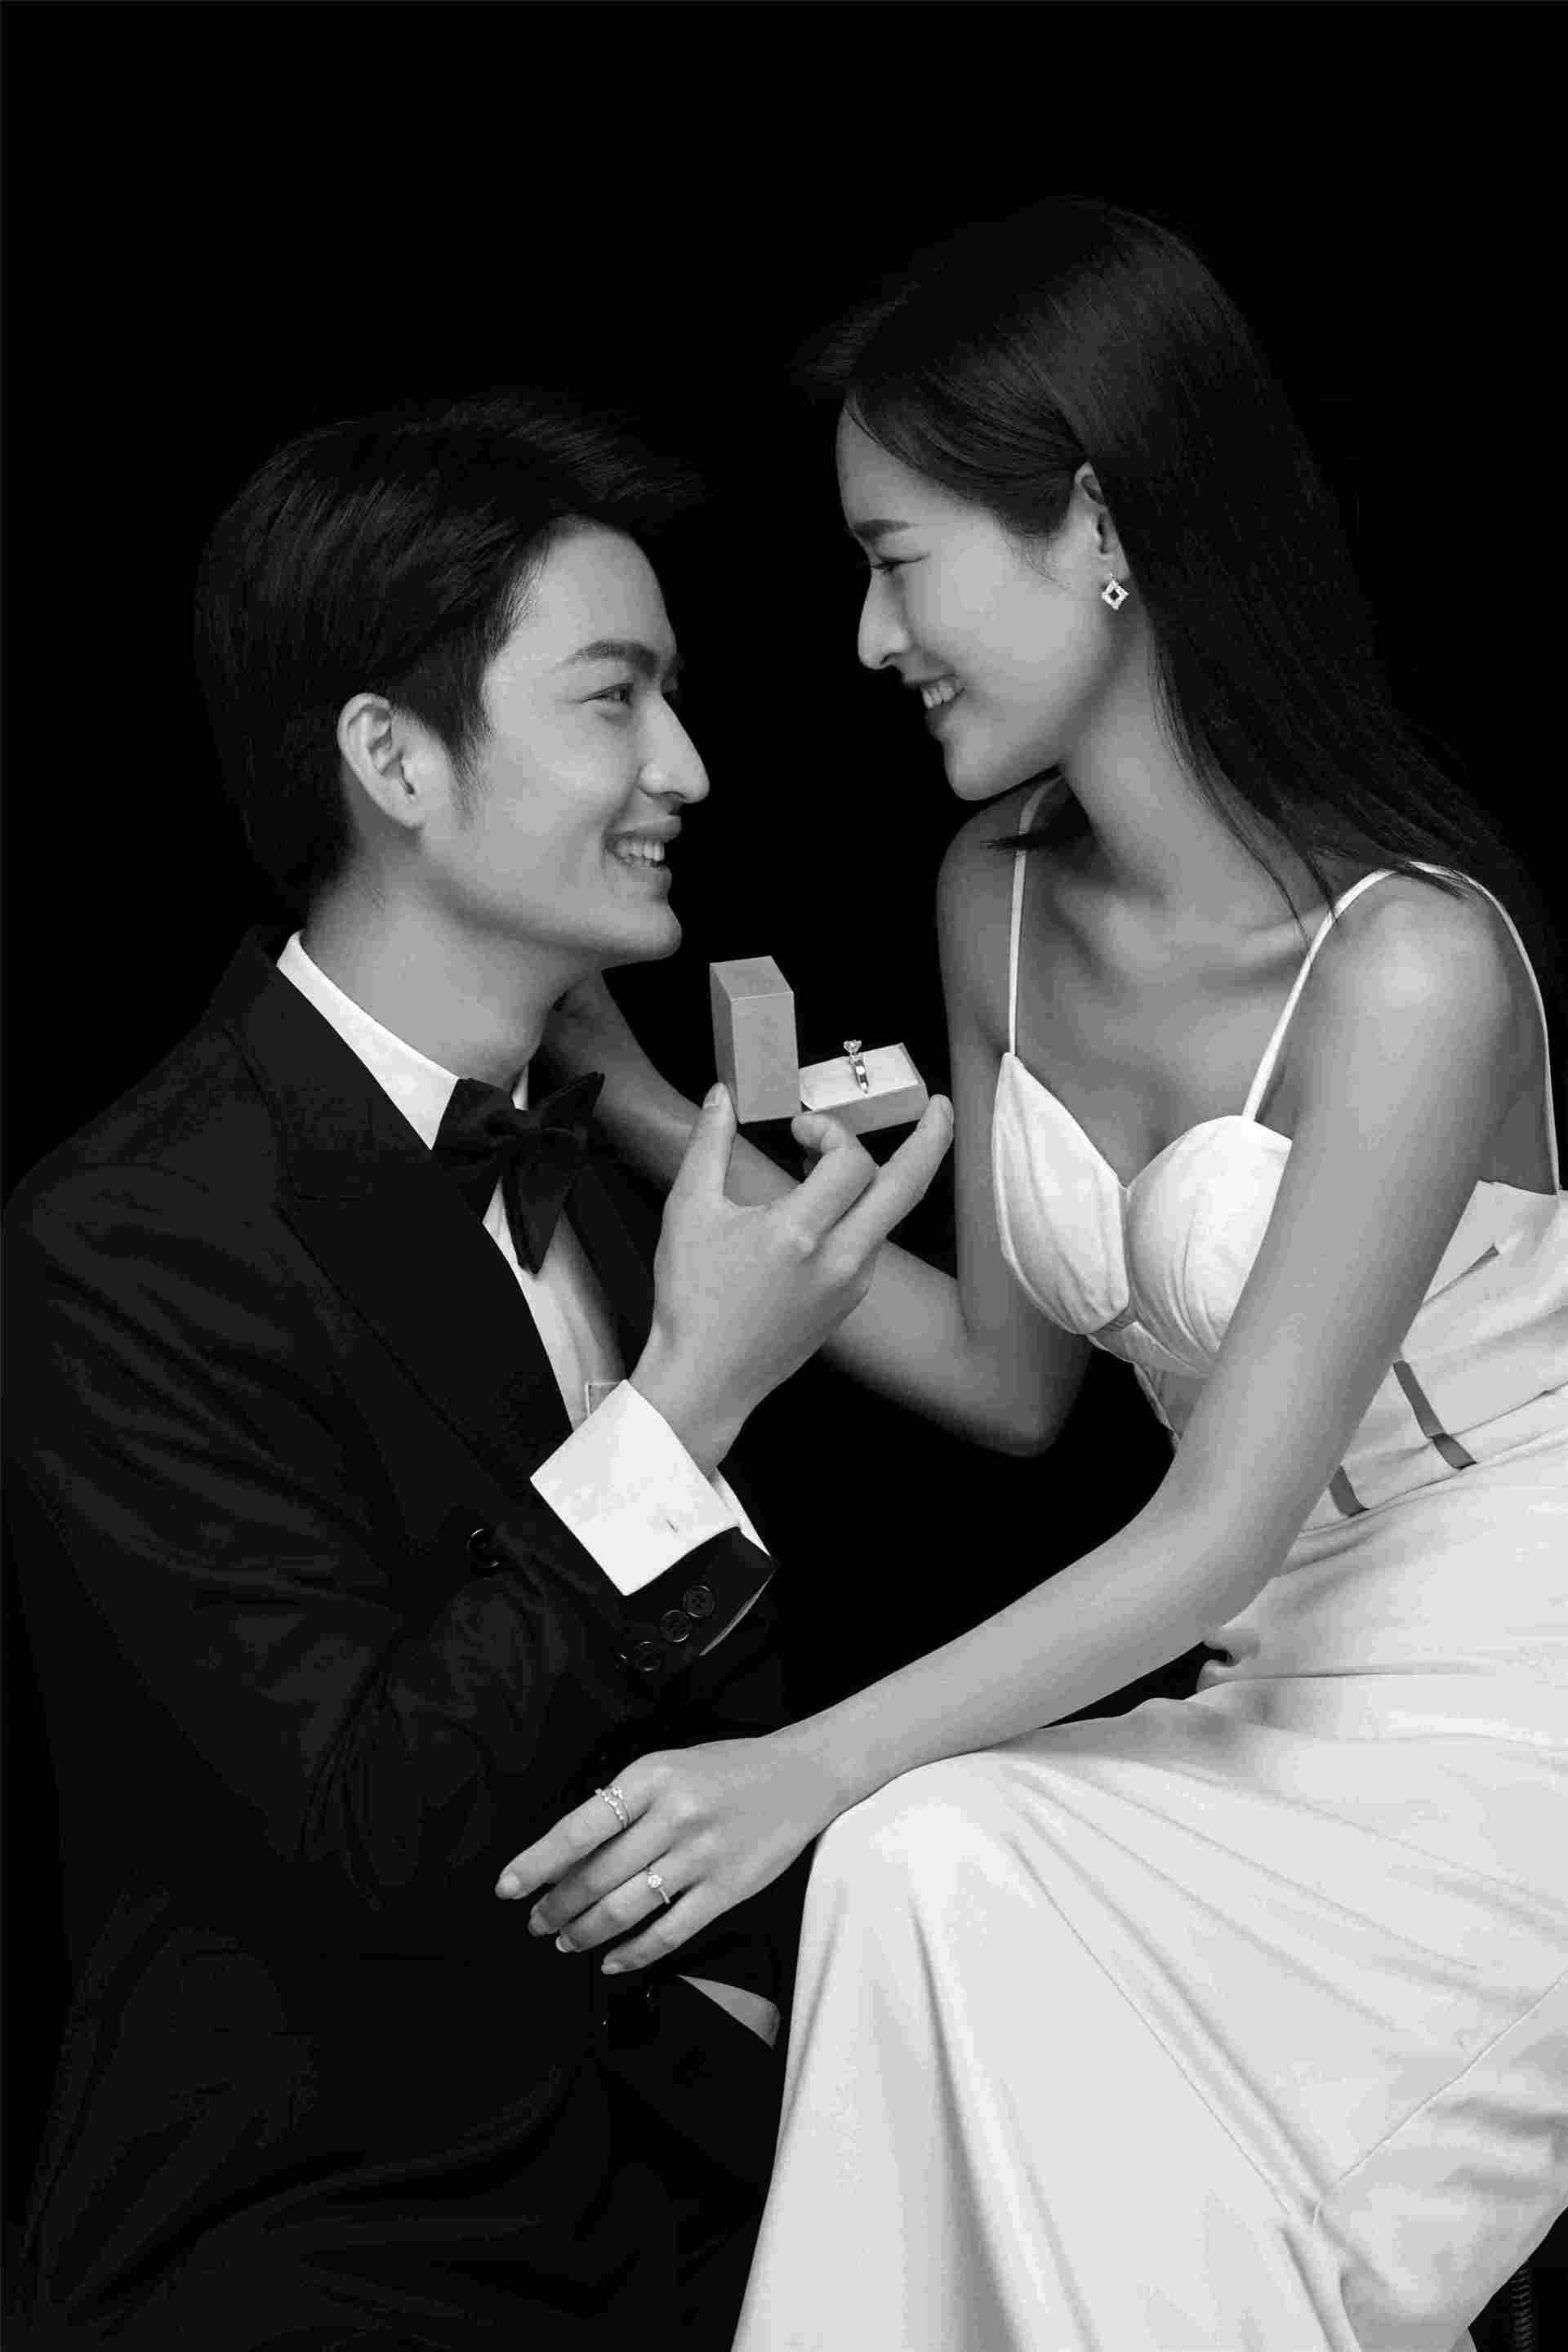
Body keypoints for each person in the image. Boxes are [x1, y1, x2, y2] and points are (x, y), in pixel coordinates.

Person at [503, 200, 1568, 2350]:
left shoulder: (1416, 969)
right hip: (1264, 1692)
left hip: (1513, 1717)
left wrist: (809, 1765)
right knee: (929, 1872)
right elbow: (1009, 1379)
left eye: (896, 561)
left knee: (903, 1843)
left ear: (1092, 522)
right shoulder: (992, 894)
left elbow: (1215, 1526)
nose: (868, 637)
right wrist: (641, 1113)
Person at [0, 390, 959, 2348]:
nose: (686, 766)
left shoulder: (598, 1158)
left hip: (685, 2186)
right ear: (394, 759)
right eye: (615, 701)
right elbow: (365, 1833)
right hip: (321, 2239)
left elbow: (713, 1728)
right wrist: (683, 1407)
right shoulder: (128, 1235)